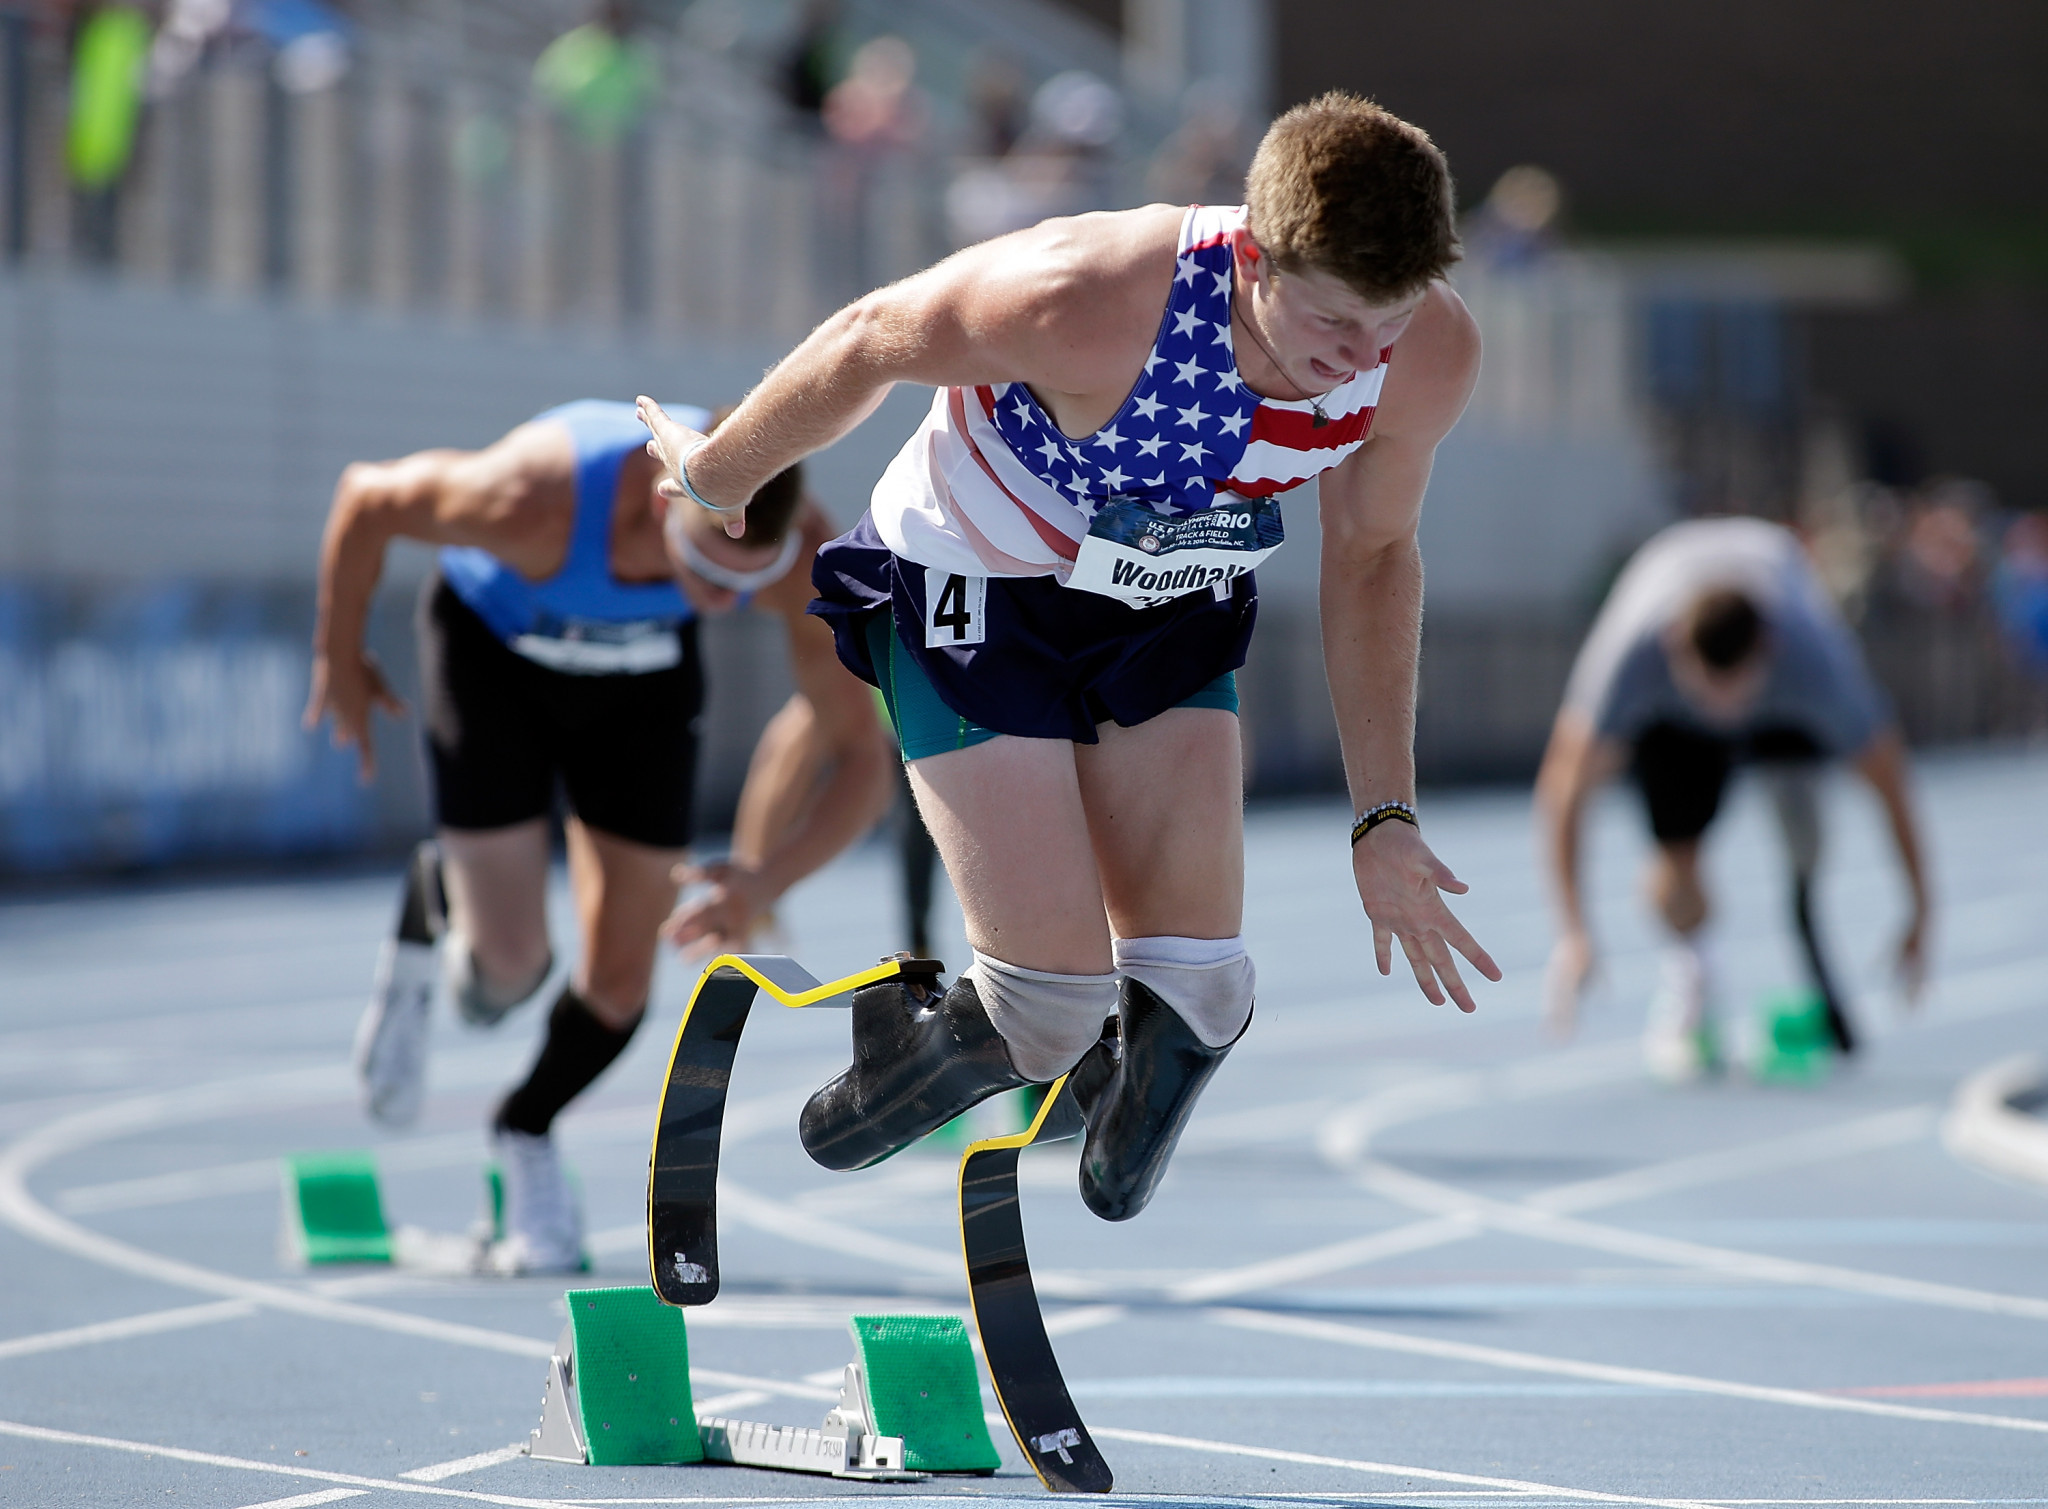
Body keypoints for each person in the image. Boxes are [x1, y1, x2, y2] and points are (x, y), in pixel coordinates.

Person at [637, 92, 1500, 1222]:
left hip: (1161, 600)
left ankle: (1100, 1082)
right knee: (1048, 1012)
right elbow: (865, 340)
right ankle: (876, 1086)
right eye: (1336, 326)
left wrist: (1382, 817)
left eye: (1386, 323)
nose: (1356, 360)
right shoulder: (1082, 299)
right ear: (1253, 256)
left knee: (1201, 988)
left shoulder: (1426, 352)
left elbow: (1375, 553)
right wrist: (717, 476)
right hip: (975, 588)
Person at [306, 399, 893, 1272]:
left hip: (639, 685)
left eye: (742, 582)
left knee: (623, 981)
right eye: (702, 569)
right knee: (507, 973)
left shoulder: (790, 552)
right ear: (664, 501)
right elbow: (368, 499)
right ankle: (442, 901)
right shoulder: (532, 499)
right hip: (494, 657)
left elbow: (859, 760)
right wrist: (339, 655)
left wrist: (766, 881)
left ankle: (525, 1128)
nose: (722, 602)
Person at [1536, 516, 1931, 1082]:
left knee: (1806, 849)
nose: (1722, 710)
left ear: (1765, 649)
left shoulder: (1815, 661)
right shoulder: (1633, 658)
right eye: (1708, 691)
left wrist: (1921, 911)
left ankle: (1808, 931)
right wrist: (1573, 931)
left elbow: (1891, 783)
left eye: (1733, 690)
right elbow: (1565, 787)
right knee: (1674, 864)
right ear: (1676, 646)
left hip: (1783, 705)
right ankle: (1692, 973)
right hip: (1675, 718)